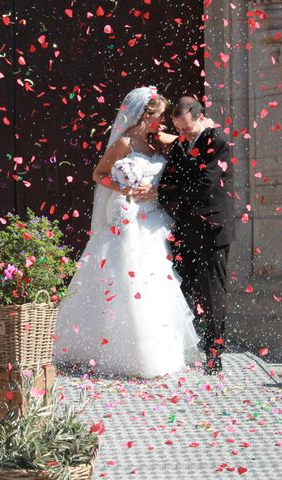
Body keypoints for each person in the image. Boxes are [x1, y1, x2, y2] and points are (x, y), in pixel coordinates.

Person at [53, 87, 200, 378]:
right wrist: (126, 189)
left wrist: (157, 190)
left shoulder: (158, 141)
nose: (162, 123)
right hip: (127, 216)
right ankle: (126, 352)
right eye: (158, 117)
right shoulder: (123, 143)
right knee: (124, 276)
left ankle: (158, 350)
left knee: (155, 279)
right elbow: (99, 174)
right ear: (145, 116)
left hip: (152, 220)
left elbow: (190, 141)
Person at [157, 96, 235, 375]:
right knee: (183, 287)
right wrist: (163, 192)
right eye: (179, 130)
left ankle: (215, 353)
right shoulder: (180, 145)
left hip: (213, 229)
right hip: (185, 227)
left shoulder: (218, 141)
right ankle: (183, 347)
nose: (183, 135)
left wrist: (173, 189)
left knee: (213, 292)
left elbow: (204, 185)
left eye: (187, 129)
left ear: (201, 118)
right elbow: (167, 182)